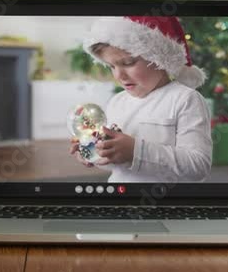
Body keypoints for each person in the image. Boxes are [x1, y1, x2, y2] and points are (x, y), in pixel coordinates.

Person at [68, 16, 213, 183]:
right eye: (111, 66)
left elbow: (198, 166)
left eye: (128, 63)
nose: (118, 75)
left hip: (169, 206)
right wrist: (96, 152)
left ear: (159, 57)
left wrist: (136, 151)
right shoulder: (117, 102)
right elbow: (117, 163)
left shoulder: (185, 100)